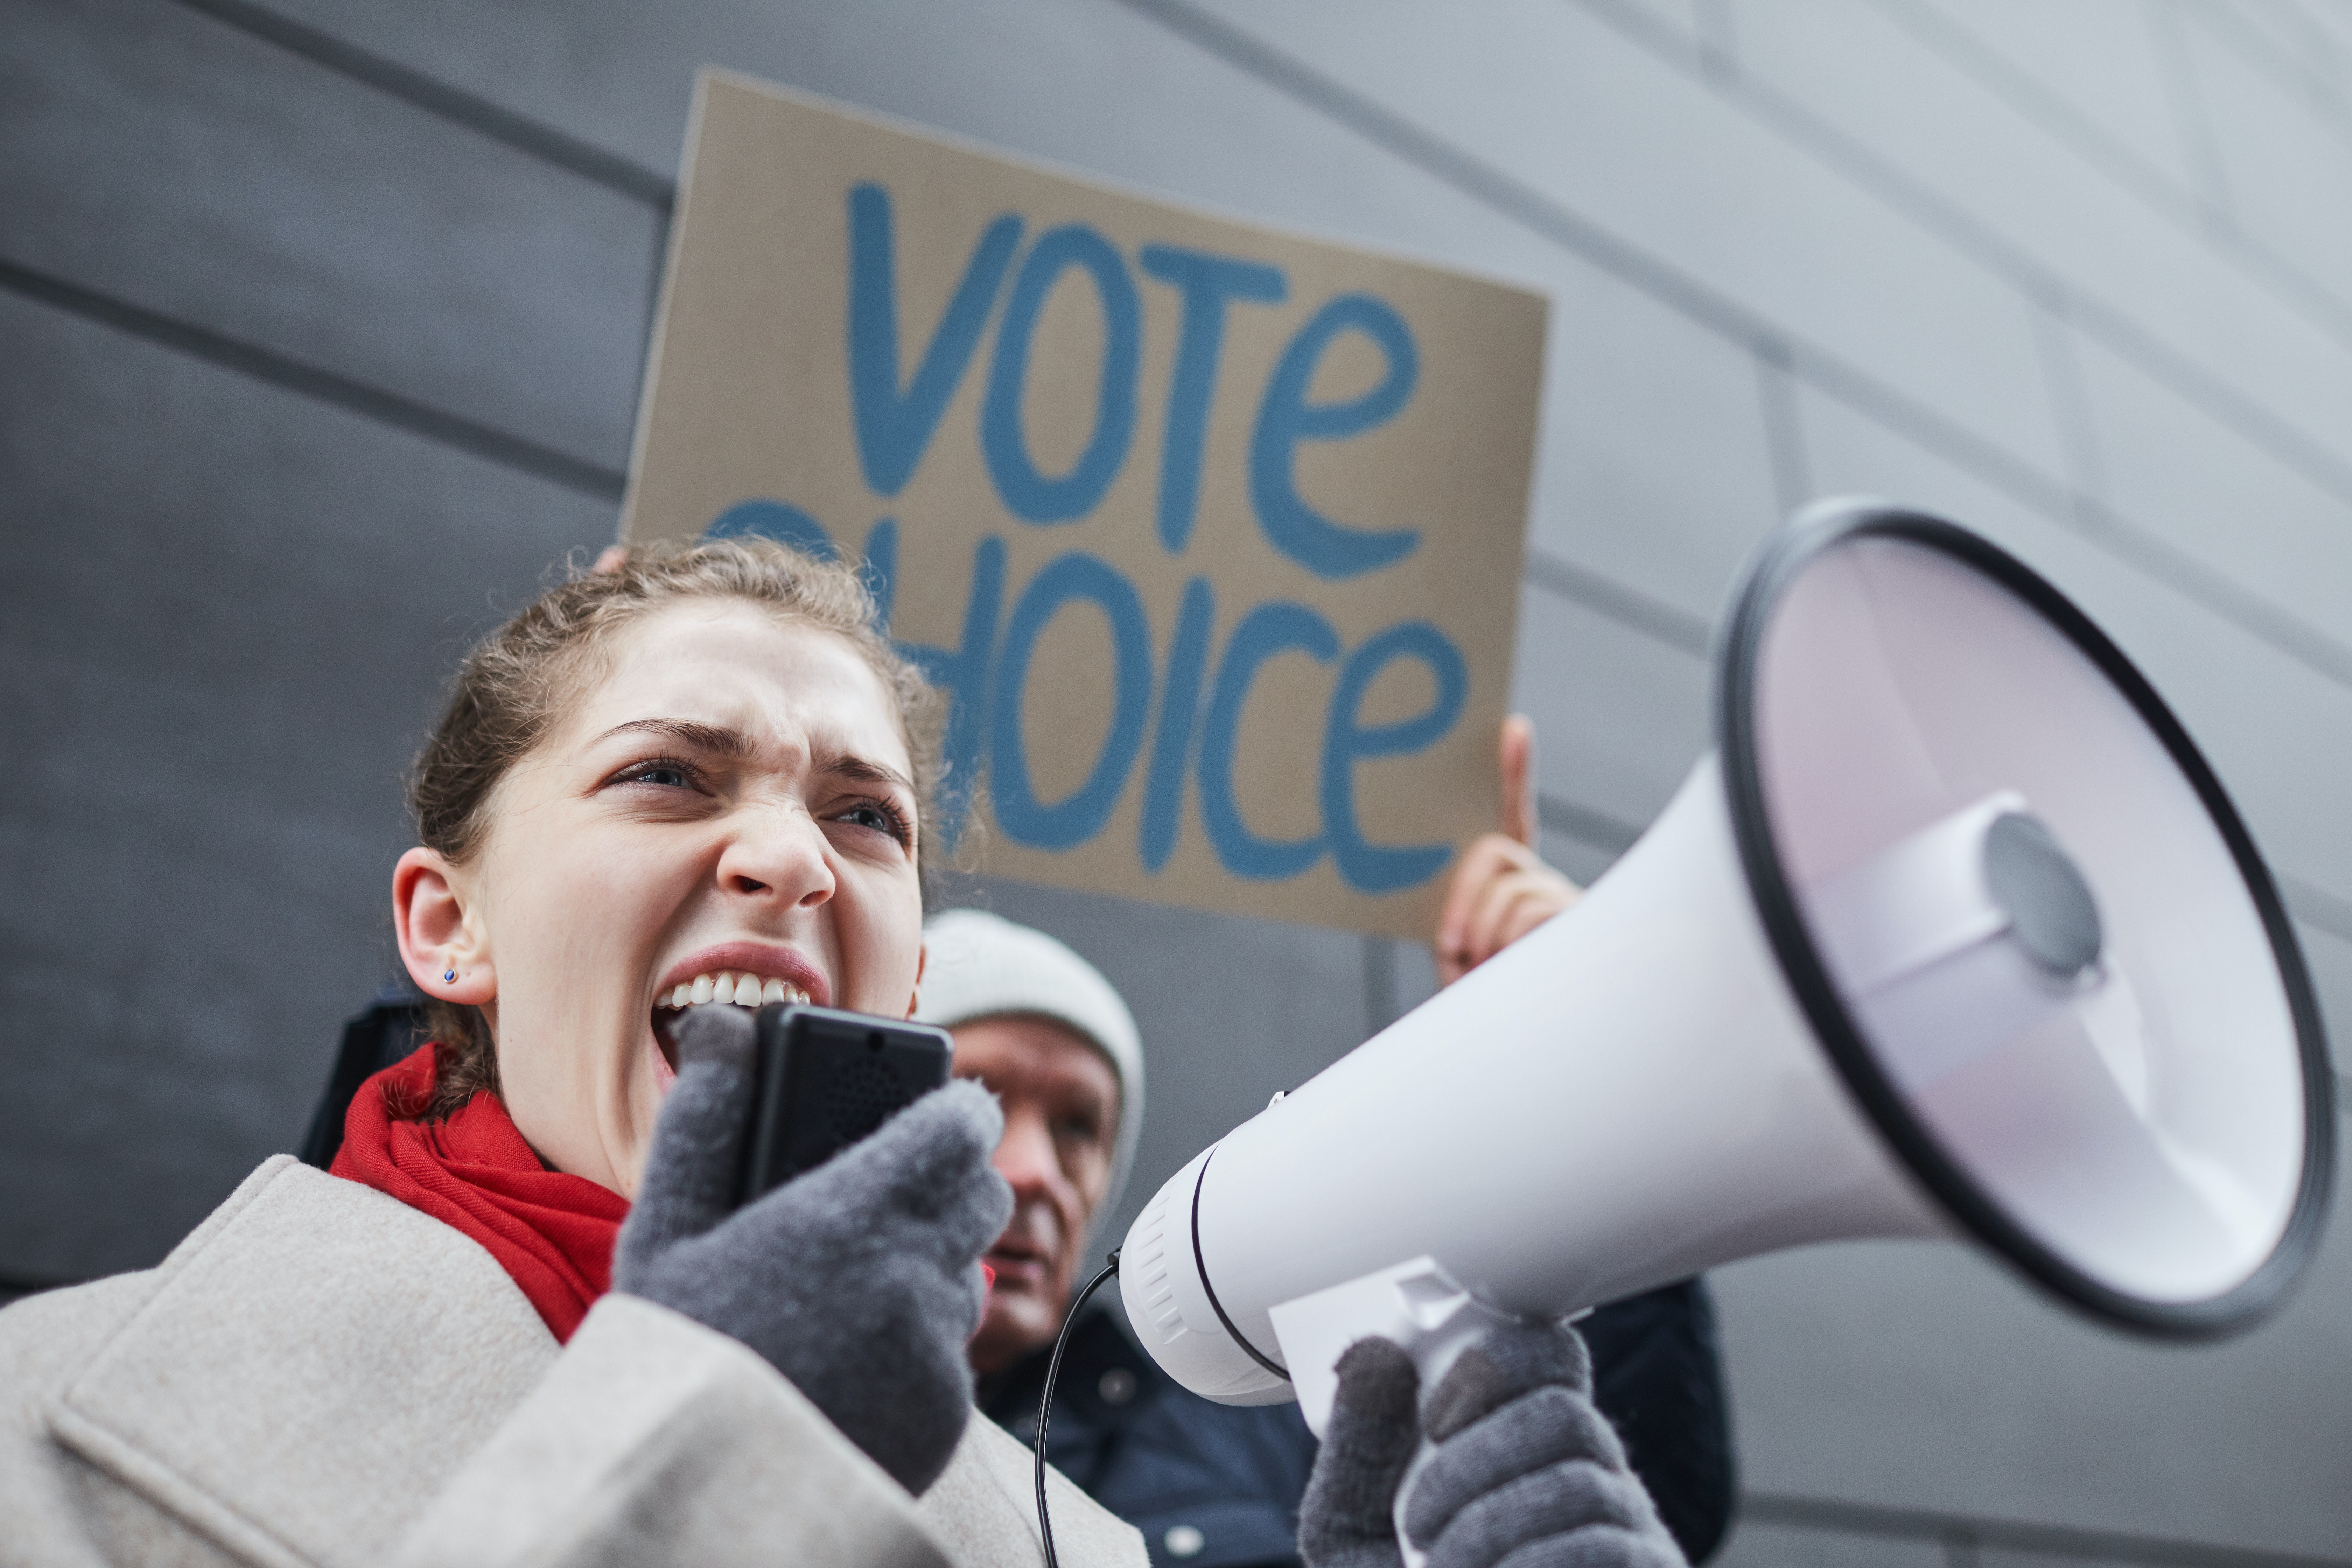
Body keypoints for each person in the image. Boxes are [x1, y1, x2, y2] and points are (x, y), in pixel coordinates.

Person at [0, 540, 1143, 1566]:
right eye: (667, 776)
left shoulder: (1079, 1551)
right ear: (452, 927)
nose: (796, 858)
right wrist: (728, 1440)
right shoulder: (32, 1420)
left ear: (909, 987)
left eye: (865, 817)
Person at [921, 804, 1733, 1565]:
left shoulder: (1271, 1422)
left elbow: (1638, 1487)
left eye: (1078, 1127)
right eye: (978, 1094)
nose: (1031, 1169)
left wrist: (1561, 1096)